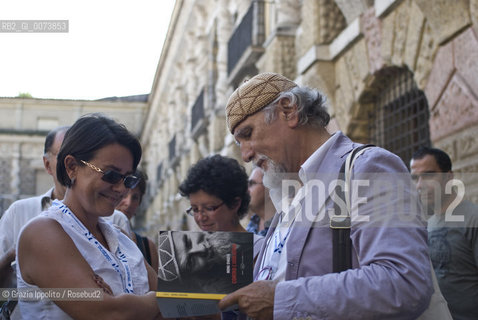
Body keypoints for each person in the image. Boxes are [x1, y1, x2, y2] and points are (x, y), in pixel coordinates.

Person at [218, 72, 434, 319]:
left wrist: (282, 299)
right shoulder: (288, 198)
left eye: (247, 134)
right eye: (239, 143)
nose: (245, 155)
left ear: (288, 111)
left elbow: (404, 283)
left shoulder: (367, 167)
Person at [15, 114, 162, 319]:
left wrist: (135, 303)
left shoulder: (121, 238)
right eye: (111, 175)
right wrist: (160, 300)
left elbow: (178, 306)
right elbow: (108, 313)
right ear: (72, 167)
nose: (121, 189)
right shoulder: (42, 233)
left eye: (128, 180)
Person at [411, 147, 478, 319]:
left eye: (428, 175)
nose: (419, 185)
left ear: (449, 177)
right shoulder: (427, 225)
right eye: (415, 178)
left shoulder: (473, 219)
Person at [0, 126, 69, 287]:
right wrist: (13, 254)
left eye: (83, 157)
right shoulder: (18, 212)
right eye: (64, 156)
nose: (72, 165)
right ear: (47, 164)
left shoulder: (112, 221)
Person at [157, 230, 252, 295]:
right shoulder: (224, 290)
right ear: (192, 276)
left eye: (189, 241)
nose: (201, 248)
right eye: (191, 261)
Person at [113, 169, 159, 272]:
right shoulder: (91, 235)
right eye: (124, 195)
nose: (128, 203)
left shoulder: (147, 247)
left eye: (135, 198)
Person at [245, 167, 274, 236]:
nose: (246, 190)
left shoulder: (282, 225)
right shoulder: (253, 221)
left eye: (252, 184)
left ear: (269, 189)